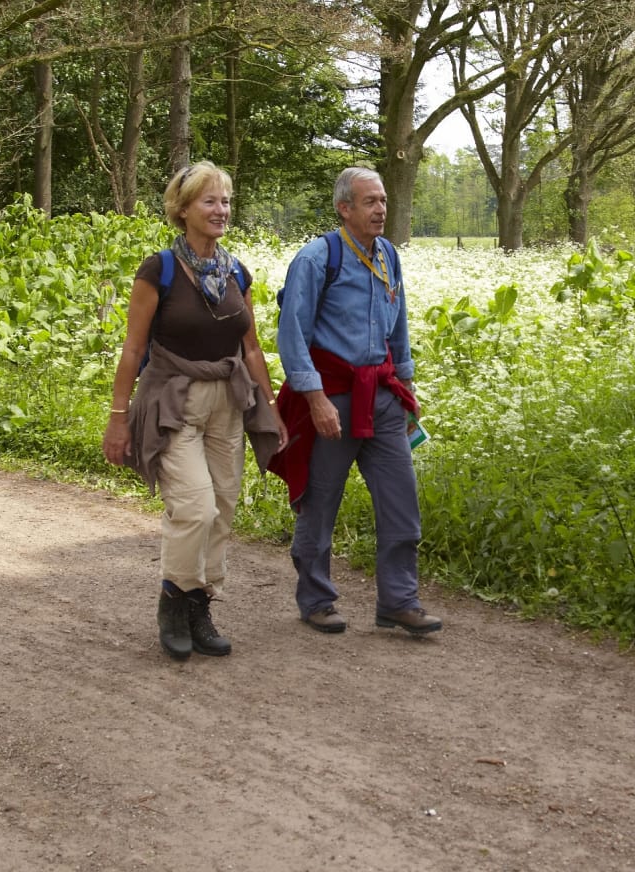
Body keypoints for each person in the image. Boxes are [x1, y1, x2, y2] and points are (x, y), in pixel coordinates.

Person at [103, 161, 281, 661]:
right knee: (195, 507)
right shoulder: (158, 268)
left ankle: (201, 604)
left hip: (227, 401)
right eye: (209, 201)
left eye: (225, 200)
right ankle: (173, 601)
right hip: (172, 401)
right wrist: (118, 417)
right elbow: (133, 350)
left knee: (222, 508)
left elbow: (250, 349)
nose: (221, 210)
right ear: (183, 210)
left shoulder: (235, 271)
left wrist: (270, 408)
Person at [269, 166, 442, 637]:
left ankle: (399, 601)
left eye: (383, 200)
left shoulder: (388, 254)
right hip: (333, 400)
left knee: (401, 501)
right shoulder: (316, 258)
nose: (381, 209)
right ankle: (316, 599)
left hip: (382, 398)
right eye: (370, 201)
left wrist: (406, 387)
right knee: (320, 503)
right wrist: (316, 400)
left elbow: (399, 324)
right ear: (344, 208)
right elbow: (292, 336)